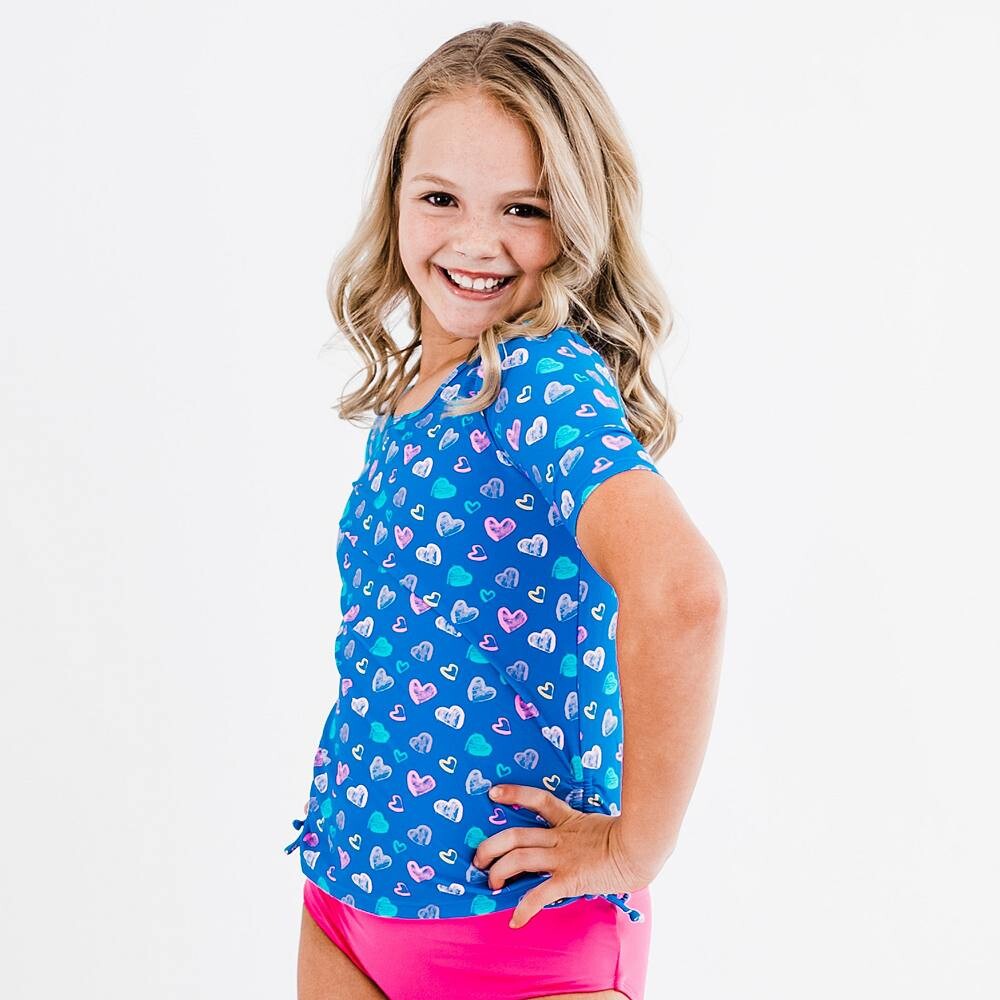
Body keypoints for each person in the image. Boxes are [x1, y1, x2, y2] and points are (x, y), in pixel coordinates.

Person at [285, 20, 727, 1000]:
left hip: (514, 930)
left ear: (577, 222)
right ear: (394, 197)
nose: (474, 241)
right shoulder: (419, 390)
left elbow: (683, 590)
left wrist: (634, 847)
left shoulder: (536, 379)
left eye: (523, 208)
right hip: (346, 895)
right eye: (439, 197)